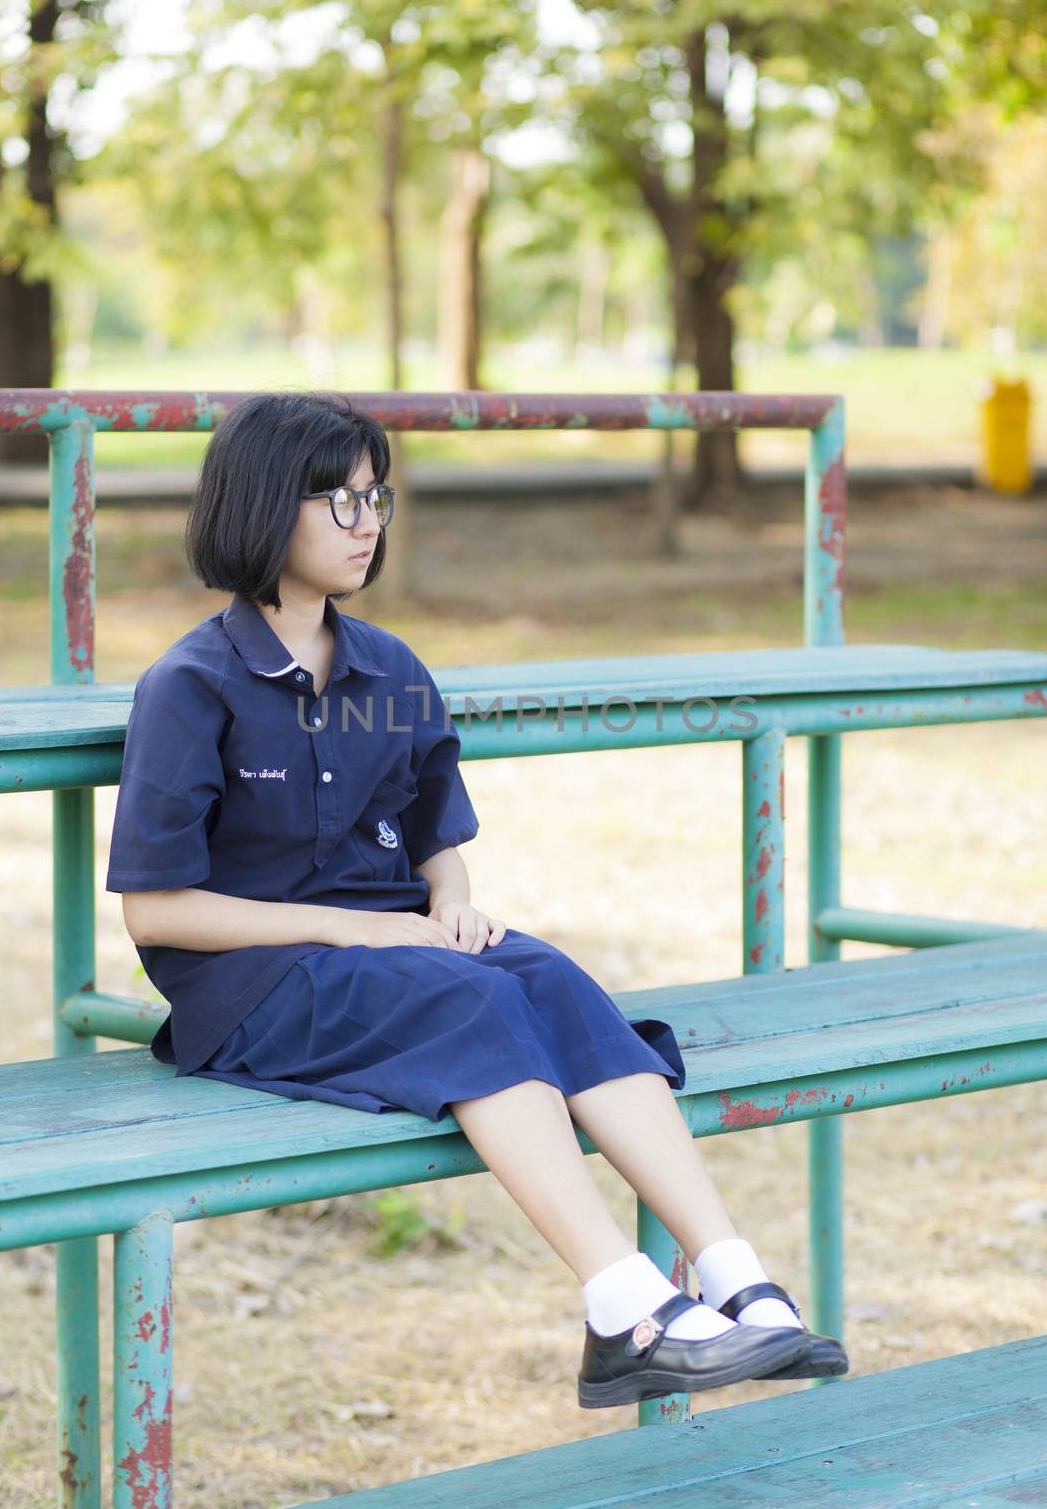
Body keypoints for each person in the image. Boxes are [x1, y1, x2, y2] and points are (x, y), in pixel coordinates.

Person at [105, 390, 848, 1410]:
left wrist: (451, 902)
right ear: (263, 506)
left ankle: (734, 1275)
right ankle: (621, 1309)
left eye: (377, 500)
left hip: (389, 954)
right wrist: (354, 925)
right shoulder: (189, 685)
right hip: (251, 989)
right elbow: (155, 911)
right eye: (339, 502)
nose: (366, 526)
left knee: (544, 974)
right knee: (477, 1002)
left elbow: (434, 837)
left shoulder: (390, 668)